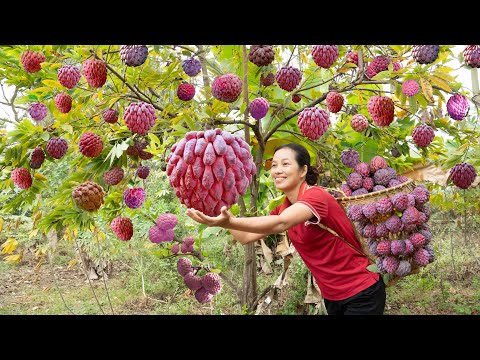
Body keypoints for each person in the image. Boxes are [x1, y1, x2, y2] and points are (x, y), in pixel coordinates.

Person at [185, 143, 385, 315]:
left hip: (362, 291)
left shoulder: (317, 197)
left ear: (303, 171)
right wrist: (217, 202)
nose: (277, 170)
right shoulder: (284, 206)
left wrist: (228, 222)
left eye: (285, 164)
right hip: (333, 296)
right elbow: (245, 236)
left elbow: (281, 223)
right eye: (274, 165)